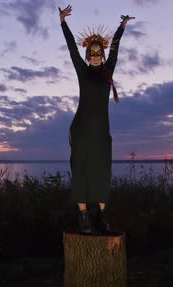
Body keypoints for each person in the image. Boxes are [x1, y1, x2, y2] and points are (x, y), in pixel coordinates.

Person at [59, 5, 134, 234]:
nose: (94, 56)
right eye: (90, 53)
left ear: (101, 53)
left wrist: (121, 27)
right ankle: (83, 215)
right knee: (80, 168)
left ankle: (98, 216)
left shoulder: (108, 70)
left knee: (103, 170)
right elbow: (72, 48)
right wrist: (63, 23)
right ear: (87, 55)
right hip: (81, 129)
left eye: (97, 52)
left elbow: (116, 49)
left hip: (102, 131)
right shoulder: (83, 71)